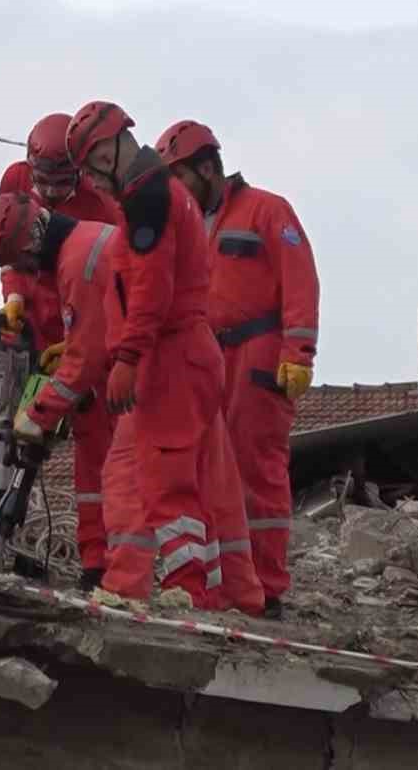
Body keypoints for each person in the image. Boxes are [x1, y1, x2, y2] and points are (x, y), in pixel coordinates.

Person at [64, 101, 264, 613]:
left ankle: (190, 591)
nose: (90, 180)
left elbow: (151, 285)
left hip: (168, 356)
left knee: (168, 486)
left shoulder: (148, 197)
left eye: (90, 167)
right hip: (185, 353)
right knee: (193, 478)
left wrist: (129, 356)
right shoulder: (159, 192)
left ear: (108, 151)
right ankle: (228, 591)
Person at [0, 114, 120, 585]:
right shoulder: (15, 183)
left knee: (93, 433)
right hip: (34, 315)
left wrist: (74, 344)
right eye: (44, 182)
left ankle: (96, 557)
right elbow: (13, 248)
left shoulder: (104, 202)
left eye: (62, 183)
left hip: (86, 323)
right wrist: (15, 298)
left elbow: (101, 286)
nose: (53, 190)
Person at [157, 120, 317, 616]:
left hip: (259, 355)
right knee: (206, 471)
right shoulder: (188, 223)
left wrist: (298, 355)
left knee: (257, 469)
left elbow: (301, 282)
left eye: (179, 176)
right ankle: (223, 582)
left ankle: (266, 586)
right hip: (207, 357)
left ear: (207, 167)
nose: (175, 188)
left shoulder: (267, 211)